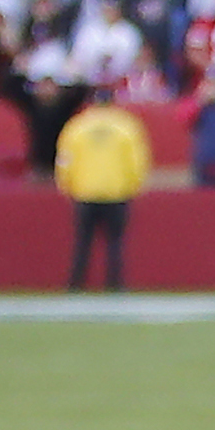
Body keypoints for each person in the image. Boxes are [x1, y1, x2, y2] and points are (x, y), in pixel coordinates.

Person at [54, 87, 151, 290]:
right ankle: (115, 285)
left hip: (85, 192)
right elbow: (137, 161)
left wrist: (66, 185)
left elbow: (65, 159)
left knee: (82, 242)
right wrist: (134, 185)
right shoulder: (127, 125)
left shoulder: (77, 126)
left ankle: (76, 284)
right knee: (115, 243)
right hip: (117, 192)